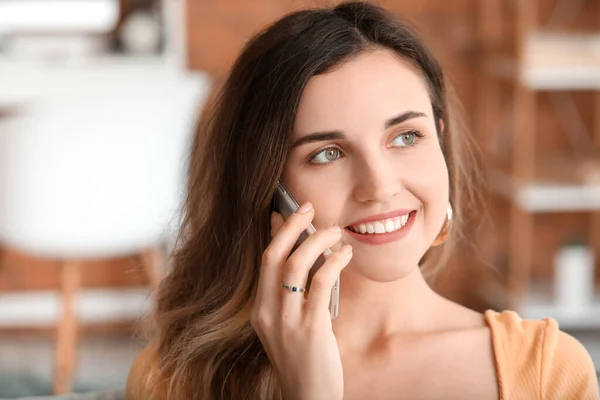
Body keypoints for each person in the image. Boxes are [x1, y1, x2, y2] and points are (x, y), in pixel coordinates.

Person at [126, 2, 599, 399]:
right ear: (268, 187)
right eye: (328, 153)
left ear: (440, 139)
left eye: (405, 136)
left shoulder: (547, 371)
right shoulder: (176, 377)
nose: (379, 185)